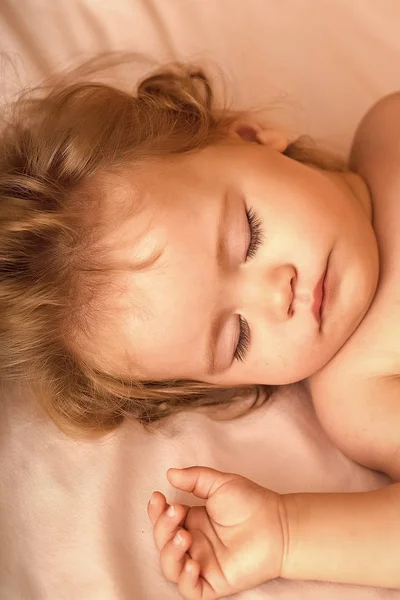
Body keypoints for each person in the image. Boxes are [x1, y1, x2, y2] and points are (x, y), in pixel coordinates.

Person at [0, 58, 399, 595]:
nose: (276, 294)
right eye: (238, 338)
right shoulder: (361, 393)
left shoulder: (385, 129)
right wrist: (287, 534)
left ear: (253, 136)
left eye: (250, 237)